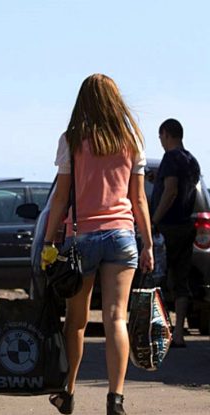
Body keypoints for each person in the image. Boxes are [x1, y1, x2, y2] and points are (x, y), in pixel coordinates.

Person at [41, 74, 154, 415]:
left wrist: (48, 243)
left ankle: (68, 391)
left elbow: (60, 197)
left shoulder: (72, 140)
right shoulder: (131, 140)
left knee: (75, 321)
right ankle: (115, 399)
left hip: (82, 237)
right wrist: (147, 243)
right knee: (116, 319)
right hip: (122, 235)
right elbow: (139, 200)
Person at [150, 118, 201, 348]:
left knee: (156, 278)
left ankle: (161, 331)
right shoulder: (192, 161)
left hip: (168, 228)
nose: (160, 142)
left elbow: (170, 191)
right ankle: (178, 332)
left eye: (161, 137)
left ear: (166, 134)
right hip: (186, 225)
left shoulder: (170, 158)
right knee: (181, 281)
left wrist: (154, 220)